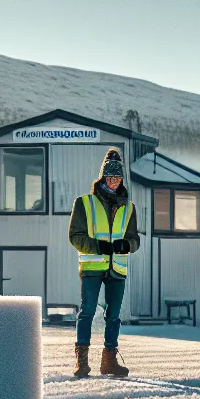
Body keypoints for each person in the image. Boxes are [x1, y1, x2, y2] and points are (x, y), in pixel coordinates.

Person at [68, 149, 141, 377]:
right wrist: (98, 247)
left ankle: (109, 361)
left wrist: (126, 246)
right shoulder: (84, 203)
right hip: (92, 267)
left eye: (117, 178)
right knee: (87, 311)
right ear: (102, 178)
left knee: (114, 315)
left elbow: (135, 239)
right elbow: (75, 236)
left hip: (117, 269)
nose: (113, 181)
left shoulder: (129, 208)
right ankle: (82, 361)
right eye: (110, 177)